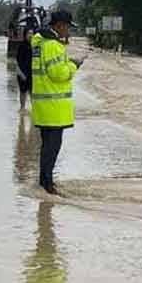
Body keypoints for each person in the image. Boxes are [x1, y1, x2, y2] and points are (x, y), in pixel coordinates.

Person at [30, 10, 83, 195]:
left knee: (47, 147)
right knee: (52, 148)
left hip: (44, 105)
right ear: (59, 25)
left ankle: (44, 183)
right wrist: (73, 65)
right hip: (54, 106)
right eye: (68, 27)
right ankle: (48, 185)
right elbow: (58, 73)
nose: (69, 32)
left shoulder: (40, 43)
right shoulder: (53, 46)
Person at [15, 24, 35, 111]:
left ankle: (34, 109)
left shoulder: (35, 46)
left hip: (32, 73)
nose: (30, 35)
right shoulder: (21, 46)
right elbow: (17, 60)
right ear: (25, 35)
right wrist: (21, 73)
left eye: (32, 33)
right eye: (29, 33)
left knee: (32, 92)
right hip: (22, 73)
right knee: (23, 91)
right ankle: (22, 108)